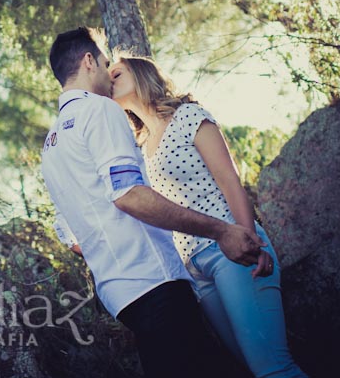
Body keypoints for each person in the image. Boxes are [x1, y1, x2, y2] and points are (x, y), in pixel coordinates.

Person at [40, 27, 267, 378]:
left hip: (122, 297)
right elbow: (128, 195)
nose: (106, 72)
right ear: (88, 61)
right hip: (155, 281)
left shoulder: (50, 145)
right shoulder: (98, 111)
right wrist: (221, 230)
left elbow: (71, 236)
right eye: (103, 62)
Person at [110, 54, 307, 378]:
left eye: (116, 71)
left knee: (274, 369)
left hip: (231, 252)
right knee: (251, 369)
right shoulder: (140, 148)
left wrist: (250, 242)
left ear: (142, 73)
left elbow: (230, 181)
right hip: (195, 272)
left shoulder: (188, 116)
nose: (109, 77)